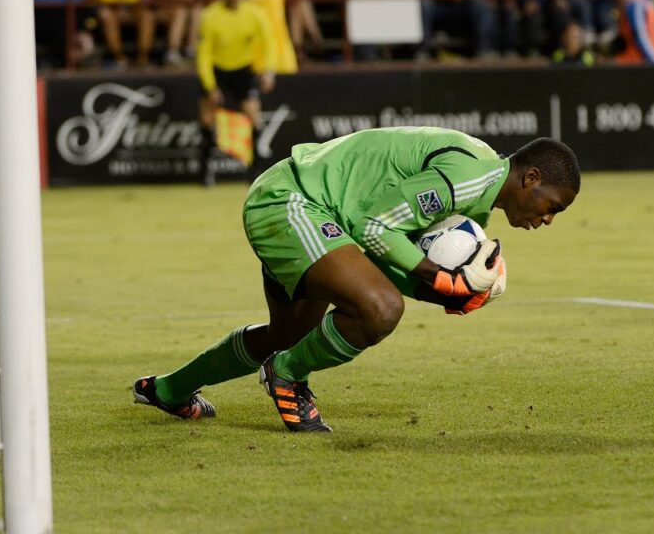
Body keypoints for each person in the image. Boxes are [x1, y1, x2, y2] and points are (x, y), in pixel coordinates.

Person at [132, 126, 581, 432]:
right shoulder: (469, 179)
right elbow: (375, 230)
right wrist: (439, 280)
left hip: (330, 216)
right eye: (553, 206)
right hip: (294, 201)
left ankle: (168, 390)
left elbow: (384, 251)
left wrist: (440, 293)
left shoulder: (477, 199)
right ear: (532, 178)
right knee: (380, 309)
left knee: (290, 333)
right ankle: (286, 375)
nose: (547, 219)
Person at [195, 0, 277, 185]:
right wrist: (210, 85)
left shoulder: (254, 13)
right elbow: (203, 54)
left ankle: (256, 171)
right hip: (218, 69)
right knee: (206, 118)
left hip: (243, 70)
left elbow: (269, 42)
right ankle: (204, 173)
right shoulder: (211, 15)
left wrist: (268, 70)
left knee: (253, 116)